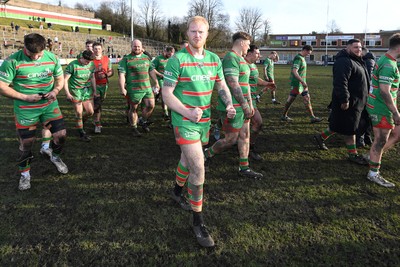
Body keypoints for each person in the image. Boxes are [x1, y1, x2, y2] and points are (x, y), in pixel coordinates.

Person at [162, 16, 236, 248]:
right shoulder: (177, 60)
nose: (197, 35)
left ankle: (176, 192)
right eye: (193, 31)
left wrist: (230, 103)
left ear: (207, 34)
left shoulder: (214, 59)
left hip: (204, 121)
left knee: (186, 158)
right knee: (199, 167)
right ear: (187, 33)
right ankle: (198, 221)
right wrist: (186, 111)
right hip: (184, 121)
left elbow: (221, 85)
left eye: (201, 32)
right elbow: (166, 94)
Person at [0, 33, 68, 190]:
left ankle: (55, 157)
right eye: (32, 54)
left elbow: (59, 80)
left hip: (49, 106)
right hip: (26, 110)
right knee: (26, 144)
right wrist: (25, 96)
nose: (36, 57)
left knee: (61, 136)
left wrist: (56, 91)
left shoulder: (51, 58)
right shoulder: (12, 61)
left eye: (39, 54)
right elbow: (1, 86)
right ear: (24, 47)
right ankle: (25, 175)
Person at [204, 32, 263, 179]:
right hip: (232, 107)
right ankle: (206, 154)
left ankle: (244, 167)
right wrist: (243, 105)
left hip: (243, 106)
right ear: (242, 43)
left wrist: (250, 104)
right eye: (248, 44)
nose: (248, 47)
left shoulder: (242, 60)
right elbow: (233, 83)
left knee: (245, 135)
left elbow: (246, 85)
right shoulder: (230, 58)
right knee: (231, 139)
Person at [313, 39, 369, 165]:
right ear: (348, 48)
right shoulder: (344, 61)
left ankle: (320, 137)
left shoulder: (356, 60)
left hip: (357, 101)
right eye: (355, 47)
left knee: (339, 124)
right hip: (350, 101)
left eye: (360, 47)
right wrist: (344, 99)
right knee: (350, 128)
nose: (359, 49)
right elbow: (340, 82)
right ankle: (353, 154)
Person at [365, 33, 400, 188]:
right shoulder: (388, 65)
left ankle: (372, 162)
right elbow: (385, 91)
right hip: (382, 107)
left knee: (388, 137)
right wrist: (395, 112)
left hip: (380, 105)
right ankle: (373, 174)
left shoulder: (387, 60)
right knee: (380, 140)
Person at [118, 39, 160, 136]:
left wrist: (156, 82)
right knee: (134, 109)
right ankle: (134, 128)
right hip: (134, 89)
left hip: (147, 87)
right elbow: (121, 75)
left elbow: (151, 71)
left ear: (141, 47)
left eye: (138, 46)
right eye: (135, 46)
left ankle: (142, 120)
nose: (137, 48)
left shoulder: (146, 58)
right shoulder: (126, 59)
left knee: (151, 105)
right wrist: (122, 88)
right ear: (131, 47)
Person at [245, 45, 276, 160]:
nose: (259, 55)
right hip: (245, 100)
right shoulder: (242, 64)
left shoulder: (253, 65)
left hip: (252, 99)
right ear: (249, 53)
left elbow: (255, 79)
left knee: (255, 124)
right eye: (257, 53)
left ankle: (247, 147)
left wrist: (267, 84)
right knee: (257, 122)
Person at [281, 45, 323, 123]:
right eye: (308, 53)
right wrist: (302, 81)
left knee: (306, 98)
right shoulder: (298, 58)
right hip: (297, 83)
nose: (308, 55)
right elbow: (294, 71)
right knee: (291, 100)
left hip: (301, 83)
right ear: (304, 50)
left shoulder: (302, 58)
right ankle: (284, 116)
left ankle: (312, 117)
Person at [64, 50, 96, 142]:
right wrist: (67, 93)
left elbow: (92, 77)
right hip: (76, 91)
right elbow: (65, 80)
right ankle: (81, 133)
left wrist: (95, 90)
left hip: (87, 91)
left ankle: (81, 122)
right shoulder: (73, 65)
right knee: (79, 112)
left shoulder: (91, 64)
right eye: (87, 61)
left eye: (90, 62)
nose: (88, 63)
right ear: (82, 57)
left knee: (90, 112)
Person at [356, 47, 376, 147]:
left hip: (367, 92)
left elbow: (367, 78)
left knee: (364, 116)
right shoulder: (369, 60)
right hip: (369, 92)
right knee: (367, 116)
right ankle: (367, 138)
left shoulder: (367, 62)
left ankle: (361, 138)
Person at [92, 42, 113, 133]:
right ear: (93, 50)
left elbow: (111, 71)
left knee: (99, 103)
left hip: (104, 85)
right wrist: (96, 71)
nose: (97, 50)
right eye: (95, 49)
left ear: (102, 49)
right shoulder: (90, 60)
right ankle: (97, 123)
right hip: (93, 85)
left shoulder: (106, 59)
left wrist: (106, 75)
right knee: (97, 105)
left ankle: (93, 119)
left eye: (99, 49)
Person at [151, 45, 175, 120]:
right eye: (168, 54)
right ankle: (165, 111)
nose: (170, 56)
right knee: (164, 95)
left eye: (172, 54)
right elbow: (151, 68)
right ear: (166, 52)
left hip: (170, 80)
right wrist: (160, 74)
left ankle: (169, 110)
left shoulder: (174, 59)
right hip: (160, 79)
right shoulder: (158, 59)